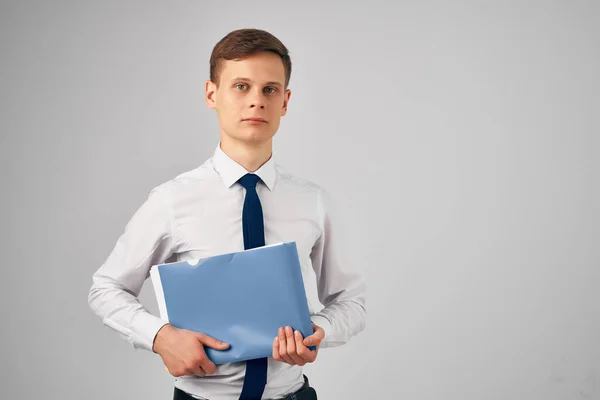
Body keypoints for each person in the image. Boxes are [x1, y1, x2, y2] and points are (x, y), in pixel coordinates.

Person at [88, 28, 367, 400]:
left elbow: (351, 300)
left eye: (270, 89)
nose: (256, 102)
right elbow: (106, 288)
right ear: (211, 94)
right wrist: (160, 337)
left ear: (285, 101)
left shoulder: (312, 201)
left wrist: (319, 330)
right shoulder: (172, 200)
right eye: (240, 86)